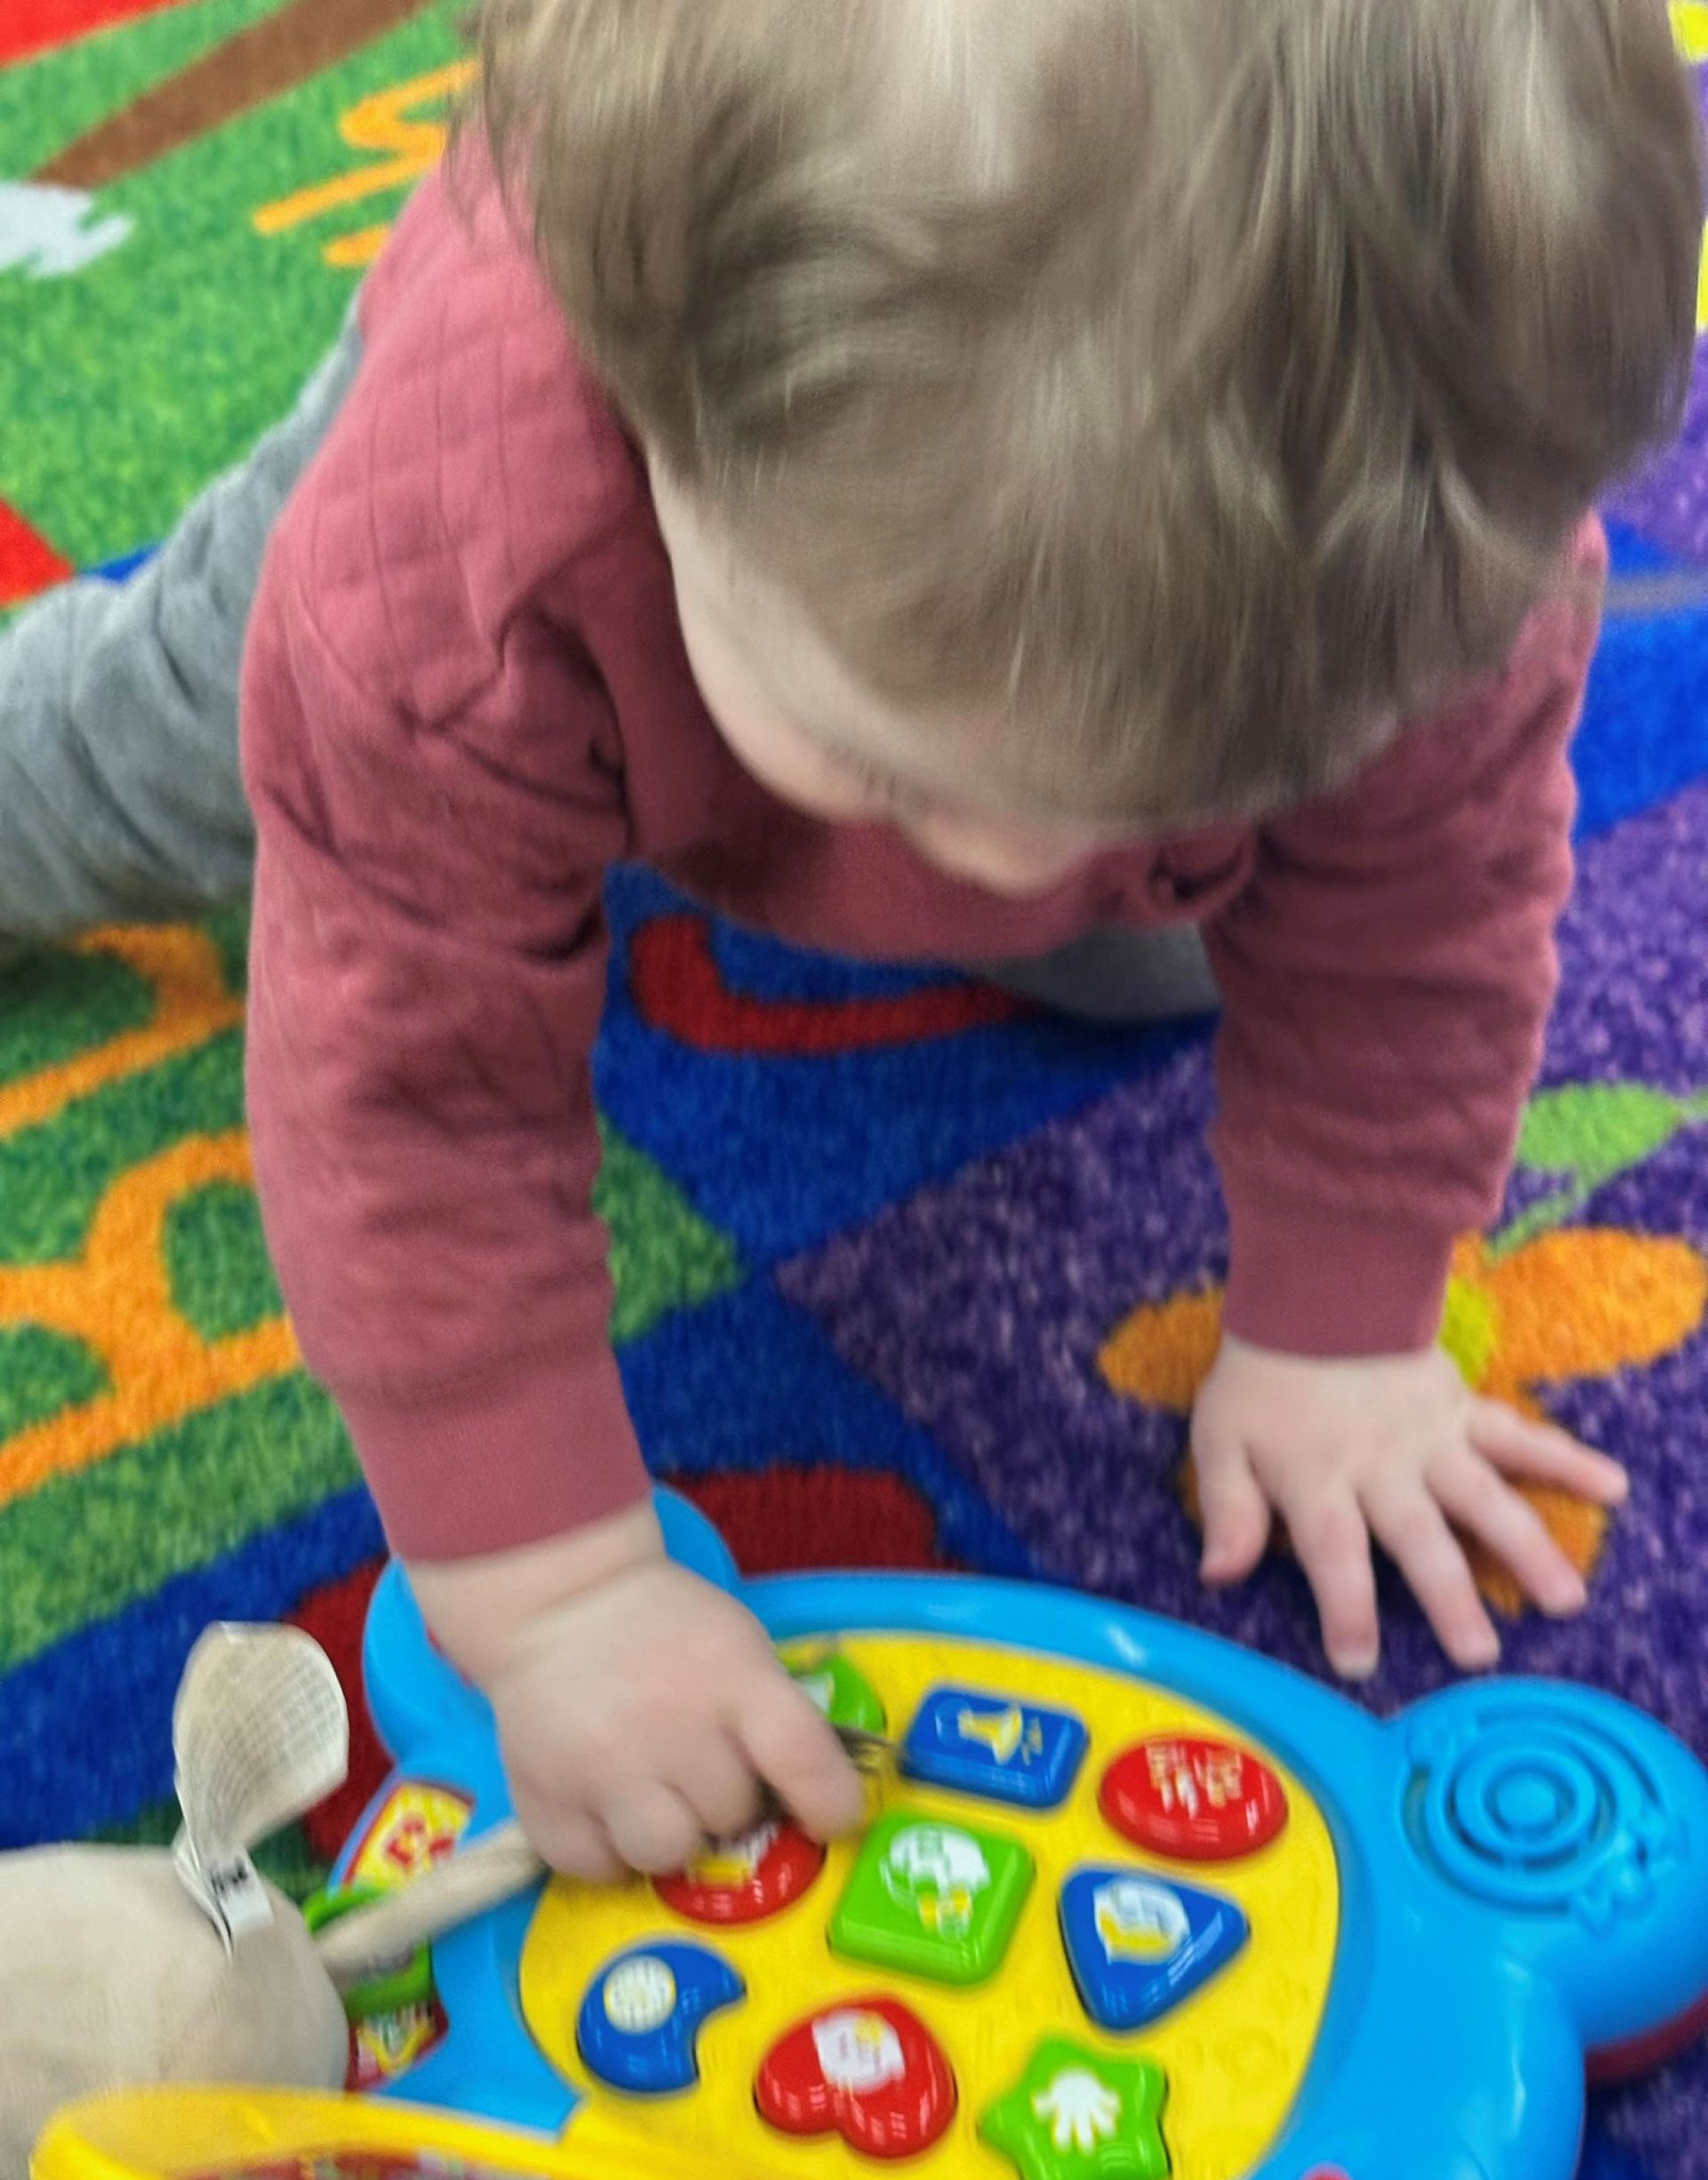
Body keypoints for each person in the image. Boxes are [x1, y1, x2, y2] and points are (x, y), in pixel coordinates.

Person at [1, 0, 1698, 1879]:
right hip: (494, 526)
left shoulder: (1428, 560)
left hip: (919, 586)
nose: (1020, 857)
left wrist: (1351, 1321)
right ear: (670, 442)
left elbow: (1420, 926)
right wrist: (556, 1594)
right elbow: (406, 1100)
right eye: (900, 770)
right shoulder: (452, 581)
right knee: (154, 761)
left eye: (1189, 782)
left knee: (1153, 928)